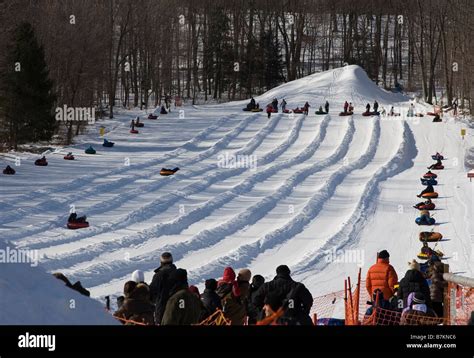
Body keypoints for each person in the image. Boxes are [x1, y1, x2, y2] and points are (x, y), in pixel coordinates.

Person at [149, 252, 177, 324]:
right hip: (179, 310)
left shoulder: (158, 276)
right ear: (172, 261)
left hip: (163, 312)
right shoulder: (179, 274)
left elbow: (151, 296)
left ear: (161, 262)